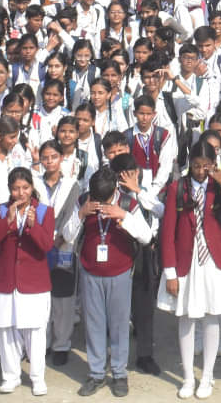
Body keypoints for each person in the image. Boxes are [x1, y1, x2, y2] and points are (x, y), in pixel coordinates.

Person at [159, 141, 221, 400]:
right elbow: (168, 233)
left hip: (213, 261)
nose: (200, 171)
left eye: (205, 166)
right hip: (186, 262)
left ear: (213, 164)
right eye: (196, 166)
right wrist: (170, 273)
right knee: (186, 318)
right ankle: (188, 376)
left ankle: (207, 376)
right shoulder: (177, 188)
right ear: (190, 164)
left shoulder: (218, 187)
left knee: (211, 318)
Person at [76, 161, 156, 398]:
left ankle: (119, 373)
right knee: (94, 324)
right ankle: (96, 373)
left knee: (119, 325)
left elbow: (146, 236)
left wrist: (124, 216)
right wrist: (81, 214)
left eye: (105, 199)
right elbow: (68, 236)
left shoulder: (128, 203)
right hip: (90, 271)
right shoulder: (85, 200)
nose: (100, 202)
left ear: (115, 190)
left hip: (120, 272)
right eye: (96, 198)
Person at [0, 166, 57, 397]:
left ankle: (37, 378)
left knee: (35, 331)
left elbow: (46, 246)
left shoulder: (44, 211)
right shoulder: (1, 210)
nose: (21, 193)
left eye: (25, 187)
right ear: (9, 189)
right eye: (16, 188)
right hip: (7, 280)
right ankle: (10, 376)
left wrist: (33, 226)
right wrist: (7, 221)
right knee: (7, 330)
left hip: (34, 282)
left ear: (31, 187)